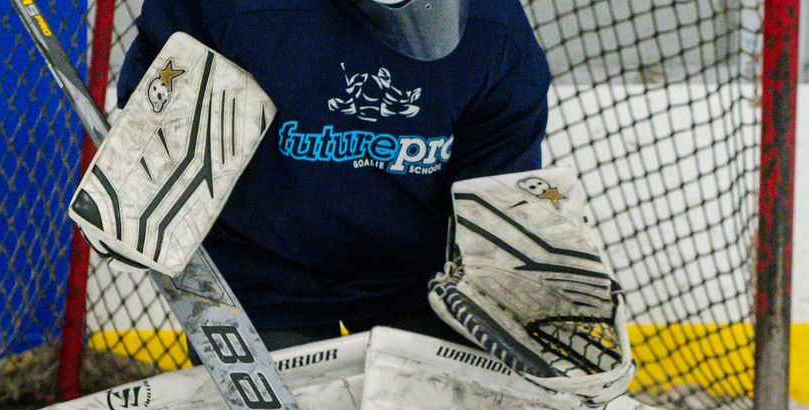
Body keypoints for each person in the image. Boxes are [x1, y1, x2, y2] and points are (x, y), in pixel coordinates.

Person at [117, 0, 550, 351]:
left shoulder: (495, 31)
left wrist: (509, 287)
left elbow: (497, 192)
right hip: (260, 271)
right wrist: (143, 183)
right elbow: (156, 104)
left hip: (418, 279)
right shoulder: (231, 9)